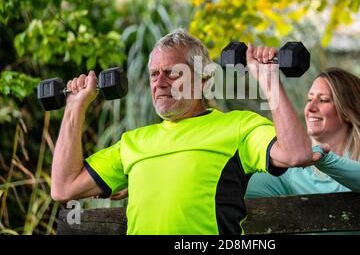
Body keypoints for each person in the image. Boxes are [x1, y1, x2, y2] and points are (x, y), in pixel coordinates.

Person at [50, 29, 322, 235]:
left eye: (172, 73)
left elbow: (297, 153)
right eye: (154, 74)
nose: (160, 82)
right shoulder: (133, 142)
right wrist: (75, 106)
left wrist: (268, 78)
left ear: (203, 79)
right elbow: (63, 188)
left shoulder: (238, 127)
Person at [246, 65, 360, 233]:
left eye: (323, 100)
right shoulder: (290, 172)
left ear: (348, 111)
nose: (310, 108)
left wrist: (323, 158)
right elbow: (247, 209)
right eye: (309, 99)